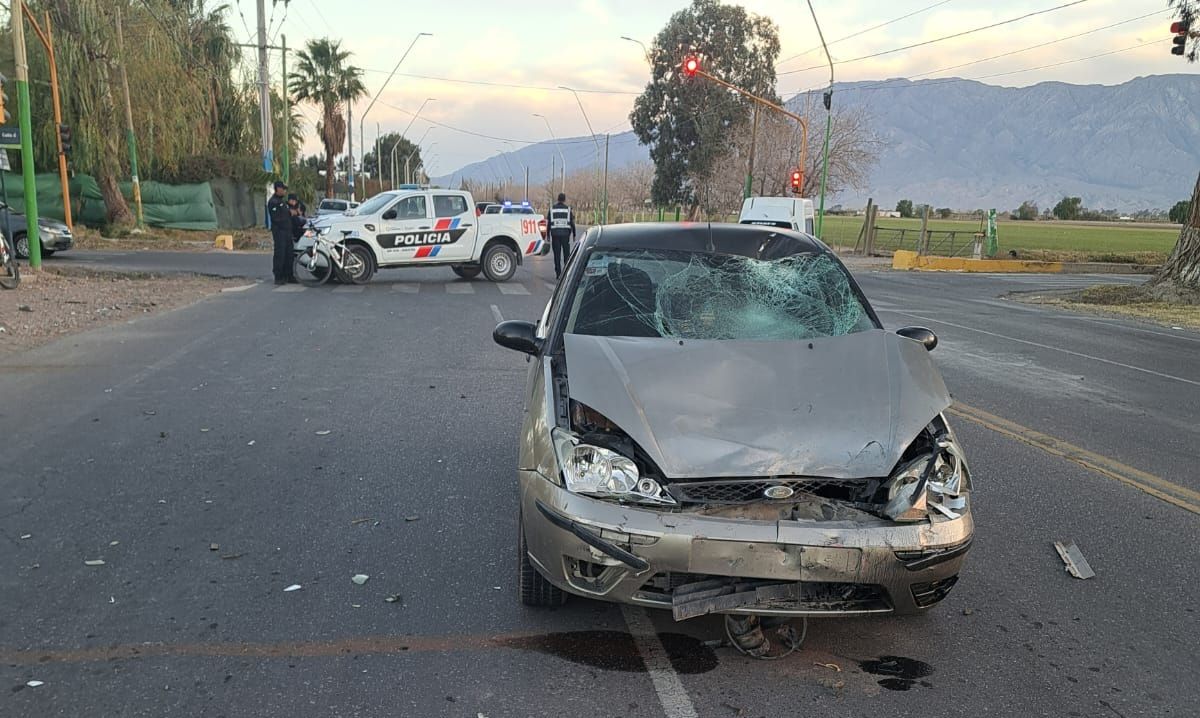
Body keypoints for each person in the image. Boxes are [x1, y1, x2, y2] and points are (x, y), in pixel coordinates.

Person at [267, 181, 294, 284]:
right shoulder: (273, 202)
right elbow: (276, 218)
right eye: (283, 189)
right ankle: (278, 276)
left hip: (287, 232)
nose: (284, 191)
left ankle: (289, 275)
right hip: (279, 232)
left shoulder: (283, 202)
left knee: (289, 254)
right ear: (278, 189)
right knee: (280, 254)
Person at [548, 192, 576, 278]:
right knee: (566, 255)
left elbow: (549, 223)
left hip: (555, 235)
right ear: (564, 199)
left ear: (558, 199)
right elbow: (572, 223)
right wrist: (574, 234)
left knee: (557, 255)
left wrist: (548, 235)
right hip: (565, 235)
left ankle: (558, 274)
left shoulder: (552, 209)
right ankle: (566, 272)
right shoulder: (568, 209)